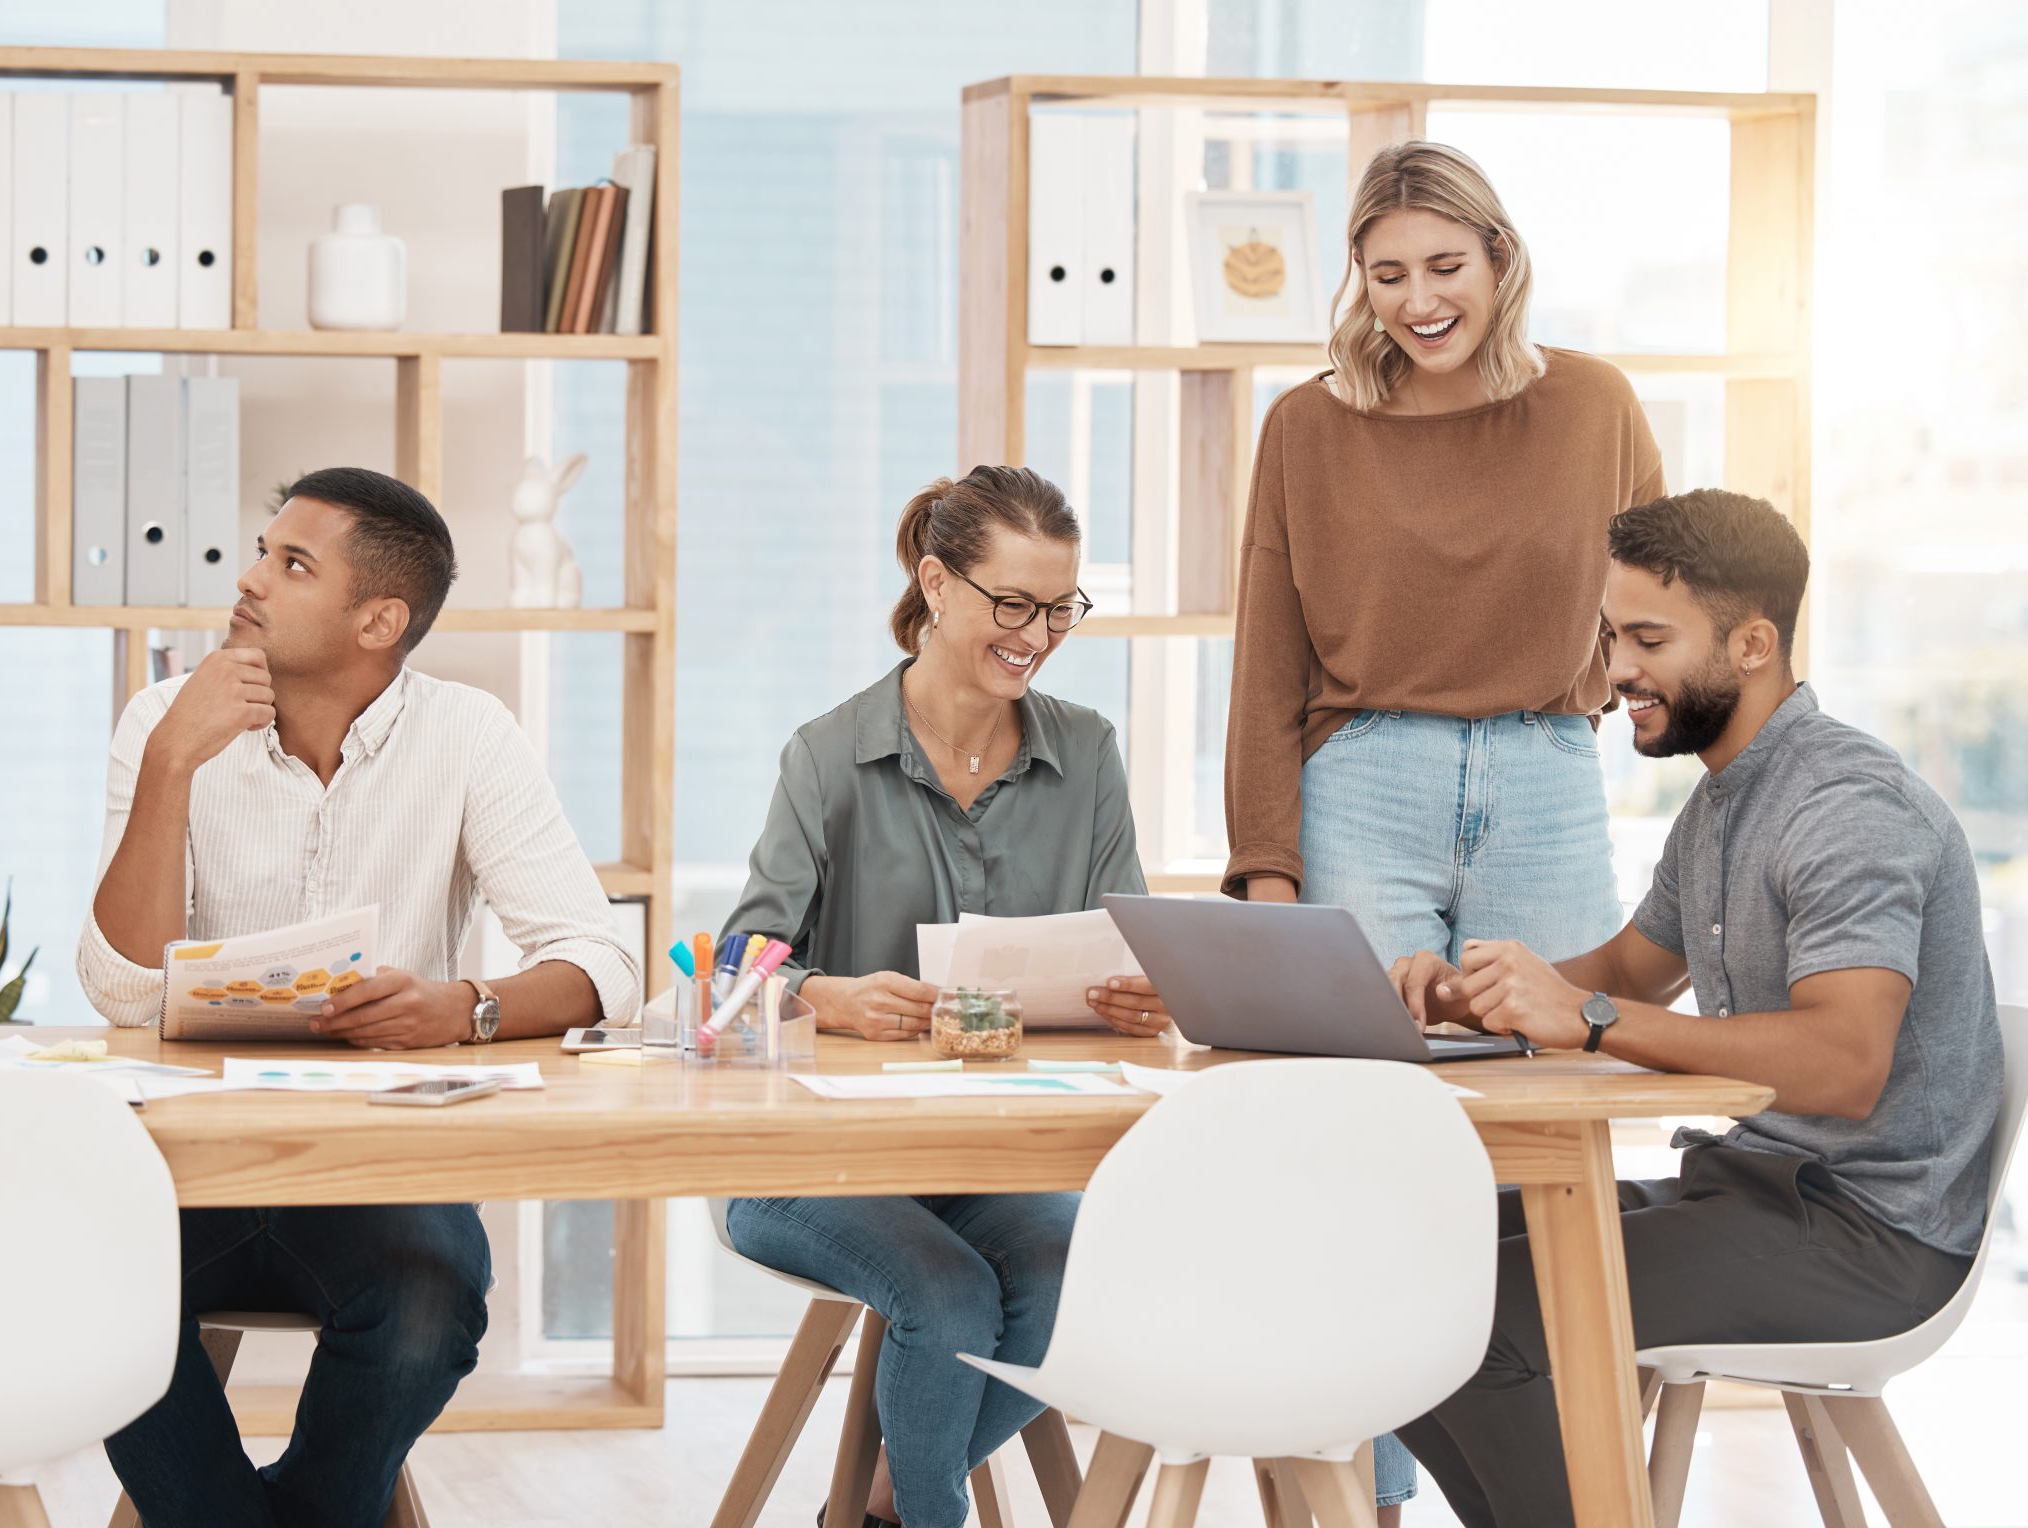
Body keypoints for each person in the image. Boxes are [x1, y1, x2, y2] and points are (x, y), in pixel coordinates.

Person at [1386, 490, 2004, 1527]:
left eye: (1647, 638)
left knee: (1479, 1318)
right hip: (1752, 1192)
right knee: (1406, 1259)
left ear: (1752, 642)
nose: (1616, 668)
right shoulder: (1724, 798)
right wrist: (1473, 995)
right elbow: (1630, 973)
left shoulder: (1845, 806)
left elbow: (1846, 1061)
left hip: (1869, 1238)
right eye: (1609, 635)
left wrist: (1578, 1012)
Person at [1219, 140, 1665, 1518]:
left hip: (1542, 775)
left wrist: (1592, 698)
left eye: (1446, 267)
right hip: (1368, 779)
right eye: (1390, 271)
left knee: (1542, 1139)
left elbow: (1659, 590)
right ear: (1360, 278)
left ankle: (1537, 1481)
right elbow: (1268, 654)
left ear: (1501, 259)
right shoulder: (1307, 424)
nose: (1421, 300)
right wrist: (1268, 869)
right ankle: (1371, 1496)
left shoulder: (1593, 404)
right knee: (1368, 1147)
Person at [78, 467, 638, 1527]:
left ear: (379, 619)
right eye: (261, 548)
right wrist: (170, 762)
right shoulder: (165, 717)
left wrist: (461, 1004)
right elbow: (120, 986)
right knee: (84, 1287)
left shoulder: (469, 735)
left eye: (291, 564)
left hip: (376, 1171)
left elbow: (601, 962)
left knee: (432, 1299)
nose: (247, 580)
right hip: (185, 1166)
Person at [721, 466, 1170, 1528]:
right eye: (1012, 602)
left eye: (1060, 606)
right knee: (947, 1292)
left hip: (998, 1155)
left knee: (1068, 1274)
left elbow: (1130, 938)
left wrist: (1145, 989)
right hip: (813, 1161)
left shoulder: (1087, 750)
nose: (1038, 632)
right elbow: (738, 964)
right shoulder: (828, 755)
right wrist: (821, 994)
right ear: (935, 581)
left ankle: (879, 1510)